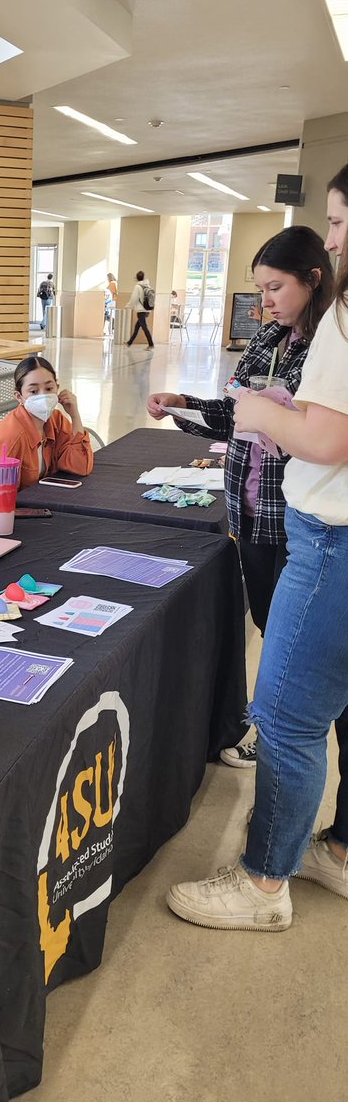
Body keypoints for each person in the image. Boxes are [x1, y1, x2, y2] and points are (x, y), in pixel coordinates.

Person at [166, 165, 348, 933]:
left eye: (338, 223)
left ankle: (262, 882)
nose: (334, 239)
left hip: (326, 539)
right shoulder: (286, 335)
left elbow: (326, 436)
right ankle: (336, 850)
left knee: (285, 715)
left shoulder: (339, 318)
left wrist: (262, 413)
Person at [147, 225, 333, 766]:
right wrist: (182, 403)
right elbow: (235, 412)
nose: (265, 302)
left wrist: (270, 415)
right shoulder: (266, 339)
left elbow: (313, 434)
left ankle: (279, 733)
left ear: (312, 279)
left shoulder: (328, 350)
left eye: (276, 288)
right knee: (269, 627)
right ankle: (271, 725)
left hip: (301, 519)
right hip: (250, 514)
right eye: (259, 290)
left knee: (296, 648)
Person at [0, 354, 93, 512]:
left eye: (49, 388)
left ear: (58, 389)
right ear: (19, 397)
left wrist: (75, 415)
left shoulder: (55, 420)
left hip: (31, 506)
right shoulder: (11, 437)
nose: (43, 396)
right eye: (33, 391)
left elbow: (80, 467)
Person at [126, 270, 154, 348]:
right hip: (147, 309)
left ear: (137, 278)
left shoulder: (137, 287)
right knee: (137, 326)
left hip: (141, 310)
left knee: (144, 327)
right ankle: (129, 342)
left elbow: (134, 298)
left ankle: (151, 344)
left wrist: (128, 306)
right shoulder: (148, 286)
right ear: (144, 277)